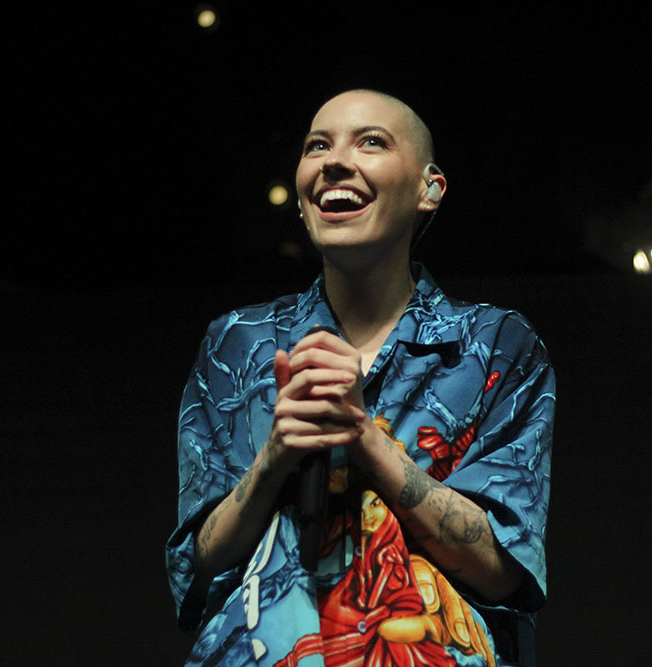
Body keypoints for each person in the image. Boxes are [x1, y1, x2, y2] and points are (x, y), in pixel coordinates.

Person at [166, 89, 555, 666]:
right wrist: (274, 458)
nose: (333, 161)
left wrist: (365, 438)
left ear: (430, 189)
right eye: (315, 146)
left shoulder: (498, 346)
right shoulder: (238, 344)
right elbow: (197, 574)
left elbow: (506, 575)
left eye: (371, 142)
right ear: (301, 199)